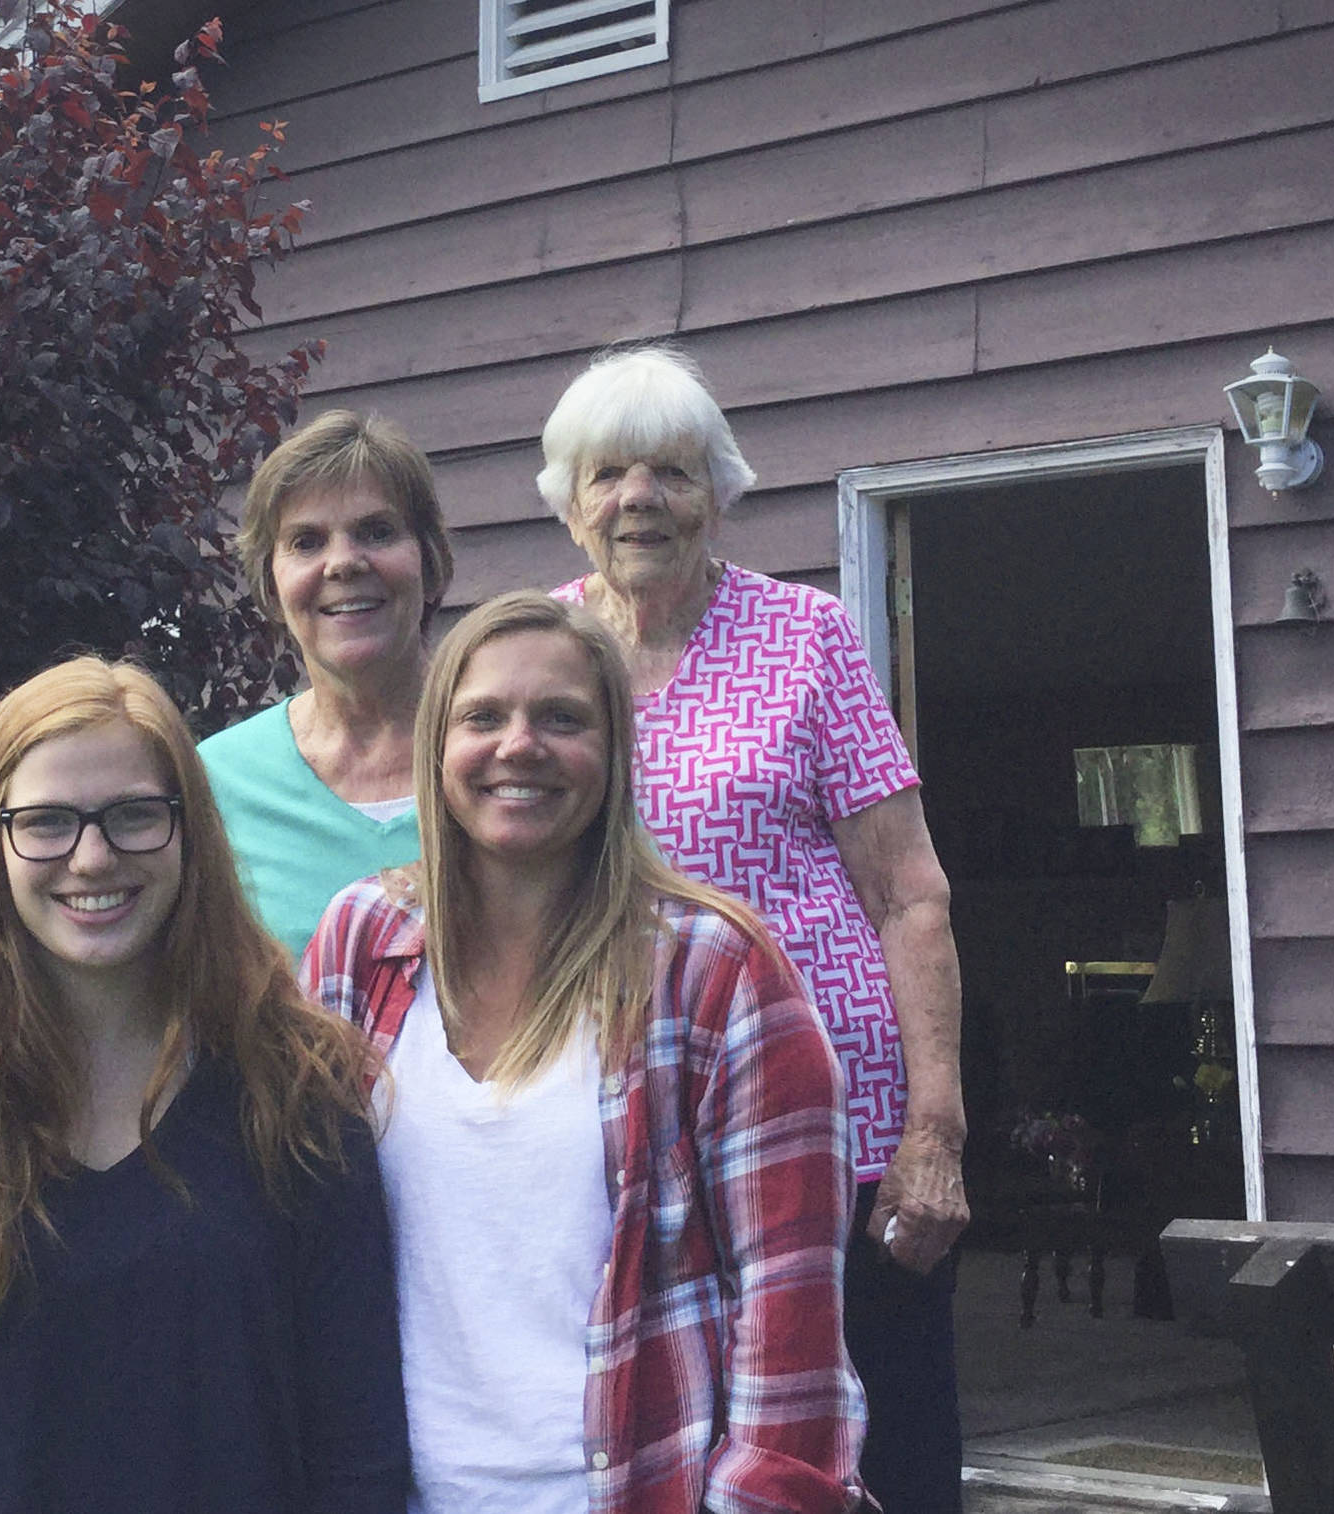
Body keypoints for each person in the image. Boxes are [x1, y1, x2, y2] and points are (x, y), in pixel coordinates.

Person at [0, 655, 408, 1514]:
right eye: (46, 823)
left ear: (189, 831)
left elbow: (358, 1455)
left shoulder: (297, 1083)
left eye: (132, 816)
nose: (92, 858)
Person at [302, 592, 867, 1514]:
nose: (517, 746)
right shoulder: (362, 943)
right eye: (482, 716)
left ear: (614, 755)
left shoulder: (716, 973)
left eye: (561, 718)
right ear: (436, 748)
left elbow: (791, 1318)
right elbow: (306, 1246)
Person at [541, 345, 970, 1513]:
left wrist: (934, 1130)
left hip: (831, 1119)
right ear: (568, 499)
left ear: (717, 491)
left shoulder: (807, 636)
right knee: (665, 1431)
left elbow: (907, 891)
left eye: (671, 472)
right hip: (620, 1120)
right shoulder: (537, 655)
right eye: (609, 472)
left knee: (877, 1441)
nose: (640, 498)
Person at [200, 409, 454, 957]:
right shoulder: (213, 783)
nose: (343, 562)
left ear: (431, 562)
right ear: (271, 584)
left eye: (376, 531)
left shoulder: (511, 753)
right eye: (307, 542)